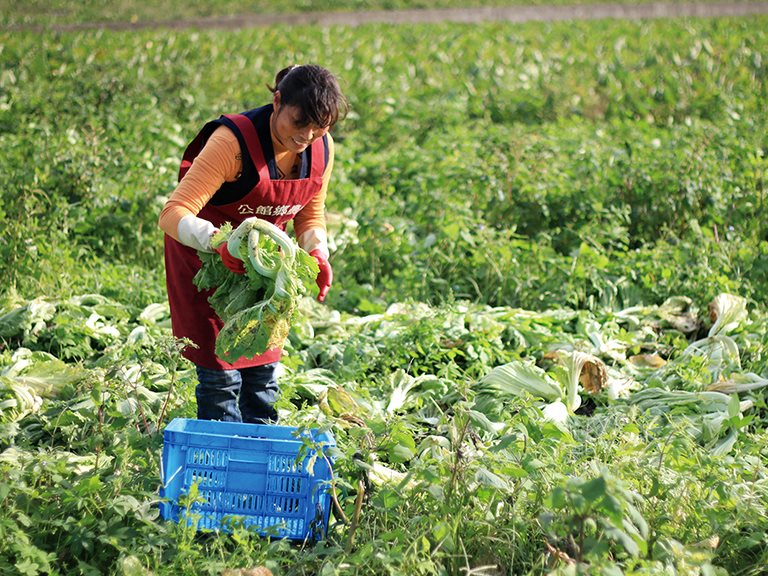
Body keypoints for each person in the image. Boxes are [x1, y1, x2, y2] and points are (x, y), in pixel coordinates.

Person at [158, 64, 347, 424]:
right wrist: (219, 244)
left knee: (263, 381)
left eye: (320, 126)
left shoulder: (322, 147)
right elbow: (172, 213)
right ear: (277, 102)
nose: (307, 135)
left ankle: (258, 461)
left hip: (263, 272)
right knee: (221, 380)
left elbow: (309, 212)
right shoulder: (232, 144)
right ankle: (220, 466)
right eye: (299, 122)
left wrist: (317, 252)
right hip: (207, 262)